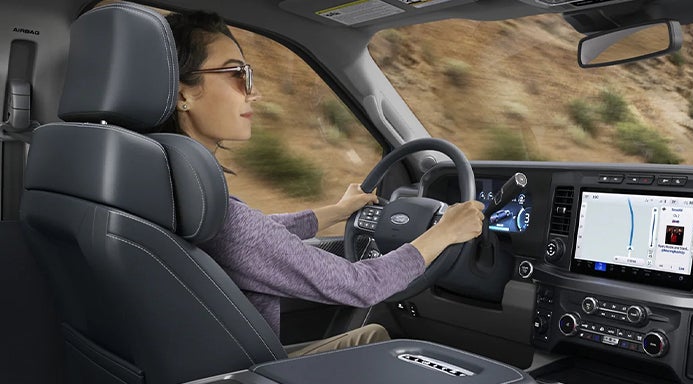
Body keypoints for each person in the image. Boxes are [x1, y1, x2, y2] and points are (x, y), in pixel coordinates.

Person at [159, 11, 485, 357]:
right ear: (184, 94)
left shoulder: (166, 181)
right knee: (380, 345)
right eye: (237, 74)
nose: (253, 93)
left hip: (207, 369)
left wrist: (336, 212)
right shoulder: (212, 206)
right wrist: (445, 232)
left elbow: (255, 235)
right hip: (245, 379)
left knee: (369, 335)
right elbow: (363, 285)